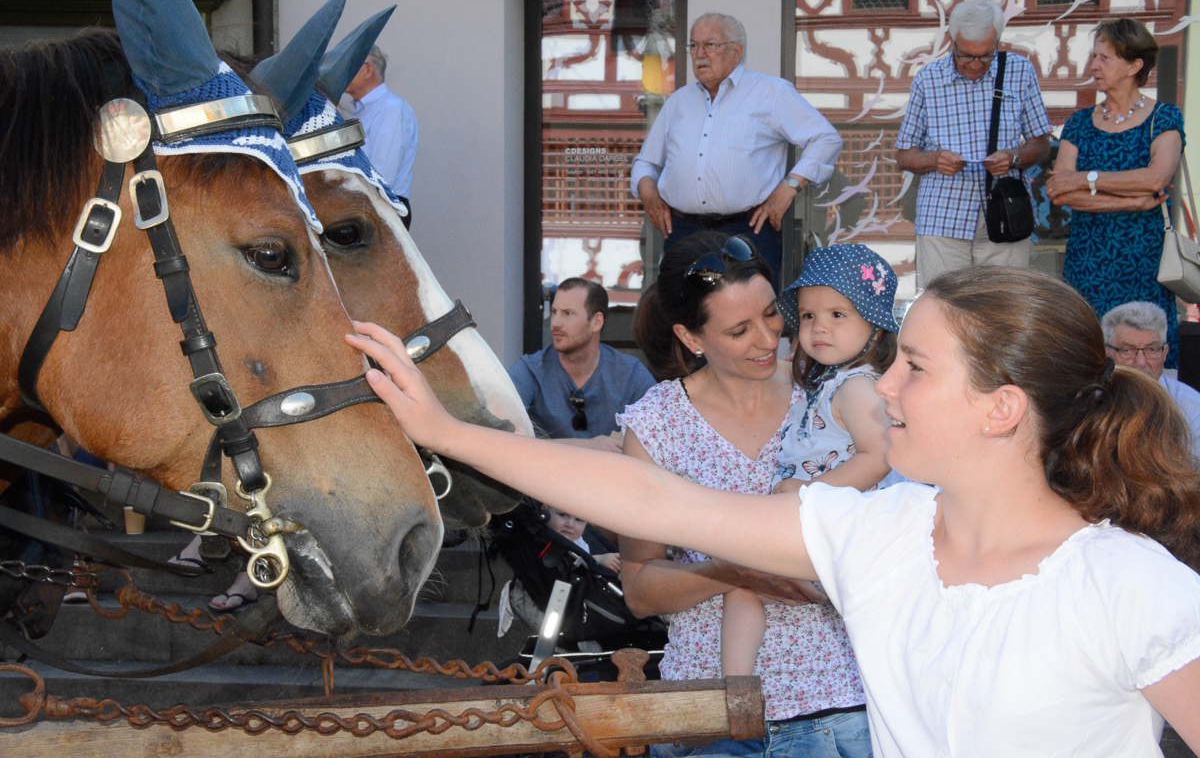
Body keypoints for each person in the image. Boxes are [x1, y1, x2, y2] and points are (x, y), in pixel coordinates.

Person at [349, 266, 1200, 758]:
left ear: (1001, 408)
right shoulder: (879, 535)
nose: (885, 387)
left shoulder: (1131, 587)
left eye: (914, 367)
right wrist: (444, 432)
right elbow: (654, 499)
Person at [620, 232, 871, 757]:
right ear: (691, 338)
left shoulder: (832, 392)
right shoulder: (656, 425)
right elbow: (641, 587)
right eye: (739, 329)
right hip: (707, 710)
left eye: (772, 315)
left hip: (837, 699)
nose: (767, 339)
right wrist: (737, 571)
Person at [723, 244, 895, 681]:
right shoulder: (828, 380)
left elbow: (879, 457)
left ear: (875, 326)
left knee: (745, 581)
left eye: (839, 315)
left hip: (839, 521)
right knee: (747, 580)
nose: (820, 328)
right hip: (820, 518)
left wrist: (811, 495)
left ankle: (735, 687)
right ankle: (738, 686)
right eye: (808, 316)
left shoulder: (858, 387)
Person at [630, 12, 842, 288]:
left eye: (710, 45)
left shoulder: (770, 92)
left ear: (736, 51)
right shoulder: (679, 102)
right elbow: (645, 163)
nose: (700, 54)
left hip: (747, 230)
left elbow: (826, 139)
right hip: (684, 232)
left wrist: (789, 187)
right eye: (693, 46)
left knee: (749, 315)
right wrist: (649, 195)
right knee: (684, 314)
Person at [1046, 18, 1184, 368]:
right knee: (1088, 355)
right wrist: (1133, 200)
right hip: (1088, 260)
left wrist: (1086, 179)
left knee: (1143, 357)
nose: (1093, 65)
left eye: (1104, 58)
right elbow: (1059, 191)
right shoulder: (1079, 122)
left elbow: (1155, 179)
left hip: (1143, 261)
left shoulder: (1164, 117)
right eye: (1094, 56)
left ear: (1134, 66)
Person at [896, 0, 1052, 289]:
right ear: (953, 42)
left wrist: (1014, 158)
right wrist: (935, 159)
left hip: (1005, 211)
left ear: (997, 43)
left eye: (986, 56)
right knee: (944, 309)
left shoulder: (1019, 71)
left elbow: (1041, 145)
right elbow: (904, 156)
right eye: (966, 55)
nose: (976, 65)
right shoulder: (928, 79)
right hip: (942, 216)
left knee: (1003, 310)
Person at [508, 278, 655, 451]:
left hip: (609, 476)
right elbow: (502, 439)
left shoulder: (630, 374)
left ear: (596, 322)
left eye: (568, 313)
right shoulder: (529, 370)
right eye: (554, 312)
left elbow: (662, 436)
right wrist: (586, 447)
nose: (555, 323)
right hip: (544, 474)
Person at [1101, 301, 1200, 459]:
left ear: (1165, 353)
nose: (1140, 363)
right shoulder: (1088, 402)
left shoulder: (1191, 406)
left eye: (1151, 349)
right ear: (1107, 353)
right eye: (1127, 350)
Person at [345, 44, 418, 199]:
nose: (343, 73)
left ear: (368, 70)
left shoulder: (391, 108)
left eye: (349, 66)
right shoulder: (358, 113)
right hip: (361, 205)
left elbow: (383, 174)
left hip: (381, 206)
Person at [543, 504, 620, 573]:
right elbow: (569, 564)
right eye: (563, 515)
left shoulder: (583, 538)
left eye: (579, 519)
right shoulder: (542, 540)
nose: (570, 525)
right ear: (545, 510)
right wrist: (599, 560)